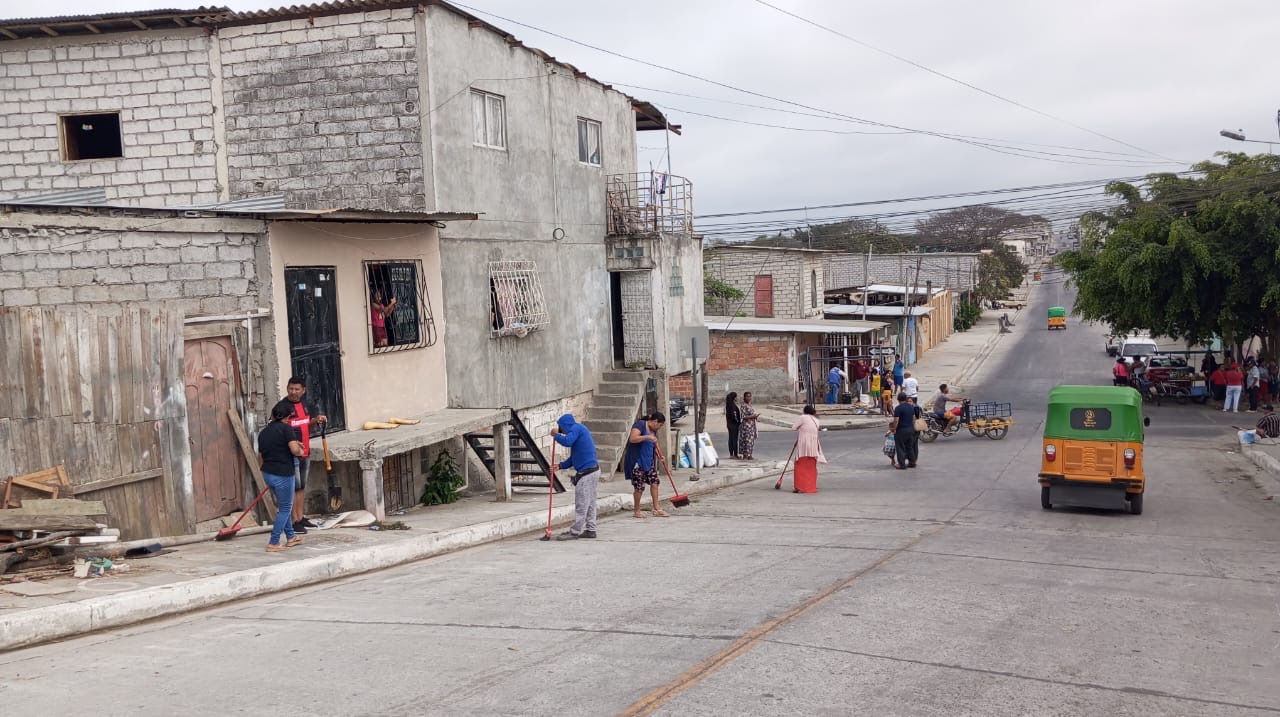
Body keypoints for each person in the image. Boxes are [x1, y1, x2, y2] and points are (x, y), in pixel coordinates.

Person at [278, 377, 327, 535]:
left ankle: (300, 517)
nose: (293, 392)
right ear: (287, 388)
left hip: (305, 452)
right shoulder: (282, 407)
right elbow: (276, 429)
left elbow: (305, 424)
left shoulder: (306, 405)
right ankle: (294, 521)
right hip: (291, 455)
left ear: (303, 390)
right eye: (291, 388)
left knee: (301, 487)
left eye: (296, 389)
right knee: (293, 488)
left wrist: (316, 420)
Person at [258, 402, 306, 553]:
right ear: (287, 417)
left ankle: (291, 537)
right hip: (283, 473)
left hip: (268, 473)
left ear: (272, 415)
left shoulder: (263, 433)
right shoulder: (286, 429)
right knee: (285, 509)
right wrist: (300, 449)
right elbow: (294, 450)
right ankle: (274, 542)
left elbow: (263, 455)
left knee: (283, 506)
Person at [551, 414, 599, 540]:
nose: (562, 431)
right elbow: (574, 458)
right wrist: (560, 466)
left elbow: (567, 441)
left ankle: (575, 532)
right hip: (592, 471)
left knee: (582, 503)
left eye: (561, 428)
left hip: (587, 473)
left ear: (564, 425)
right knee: (590, 502)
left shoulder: (576, 429)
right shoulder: (579, 430)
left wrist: (556, 435)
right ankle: (591, 529)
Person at [624, 411, 669, 518]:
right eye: (660, 425)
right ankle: (637, 511)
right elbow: (632, 439)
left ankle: (657, 508)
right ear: (655, 421)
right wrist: (647, 437)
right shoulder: (640, 425)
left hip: (649, 462)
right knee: (639, 487)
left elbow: (654, 444)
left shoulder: (654, 430)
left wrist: (660, 455)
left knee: (655, 483)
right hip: (637, 462)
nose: (659, 427)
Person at [790, 405, 827, 493]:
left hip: (803, 446)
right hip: (813, 447)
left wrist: (801, 428)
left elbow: (793, 427)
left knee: (800, 466)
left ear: (805, 411)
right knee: (811, 467)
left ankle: (799, 487)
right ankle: (810, 486)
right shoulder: (817, 420)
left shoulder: (803, 417)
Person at [889, 392, 921, 469]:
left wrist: (894, 429)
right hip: (910, 429)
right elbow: (914, 418)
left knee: (900, 447)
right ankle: (912, 462)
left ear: (898, 399)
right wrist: (912, 427)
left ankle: (901, 464)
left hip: (901, 430)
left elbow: (896, 420)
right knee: (909, 447)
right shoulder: (911, 407)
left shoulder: (898, 408)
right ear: (906, 399)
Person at [738, 391, 760, 460]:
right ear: (744, 397)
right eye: (747, 396)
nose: (749, 398)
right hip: (746, 426)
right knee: (746, 440)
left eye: (750, 396)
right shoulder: (743, 406)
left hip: (751, 426)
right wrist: (752, 416)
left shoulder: (750, 405)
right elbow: (743, 416)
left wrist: (755, 416)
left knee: (751, 440)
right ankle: (745, 455)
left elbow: (752, 414)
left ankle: (750, 455)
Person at [725, 393, 742, 460]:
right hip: (734, 425)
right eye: (736, 397)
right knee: (734, 440)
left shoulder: (728, 405)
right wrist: (738, 422)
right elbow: (734, 416)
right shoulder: (733, 406)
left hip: (729, 424)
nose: (737, 398)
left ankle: (731, 454)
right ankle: (735, 455)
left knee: (731, 439)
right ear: (734, 398)